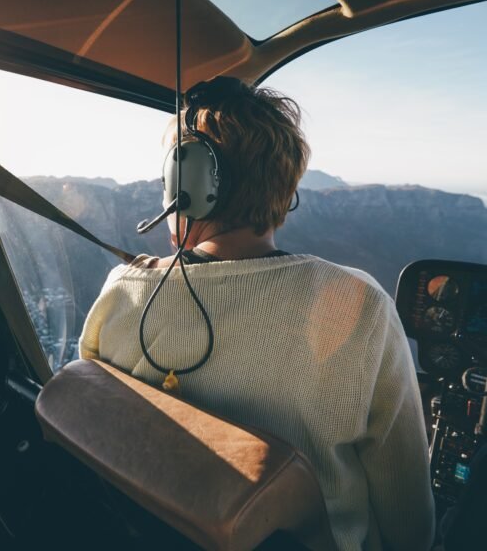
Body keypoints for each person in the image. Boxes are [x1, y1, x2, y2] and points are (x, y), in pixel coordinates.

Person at [79, 78, 435, 551]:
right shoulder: (358, 302)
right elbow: (407, 509)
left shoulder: (121, 294)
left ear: (184, 185)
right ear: (285, 192)